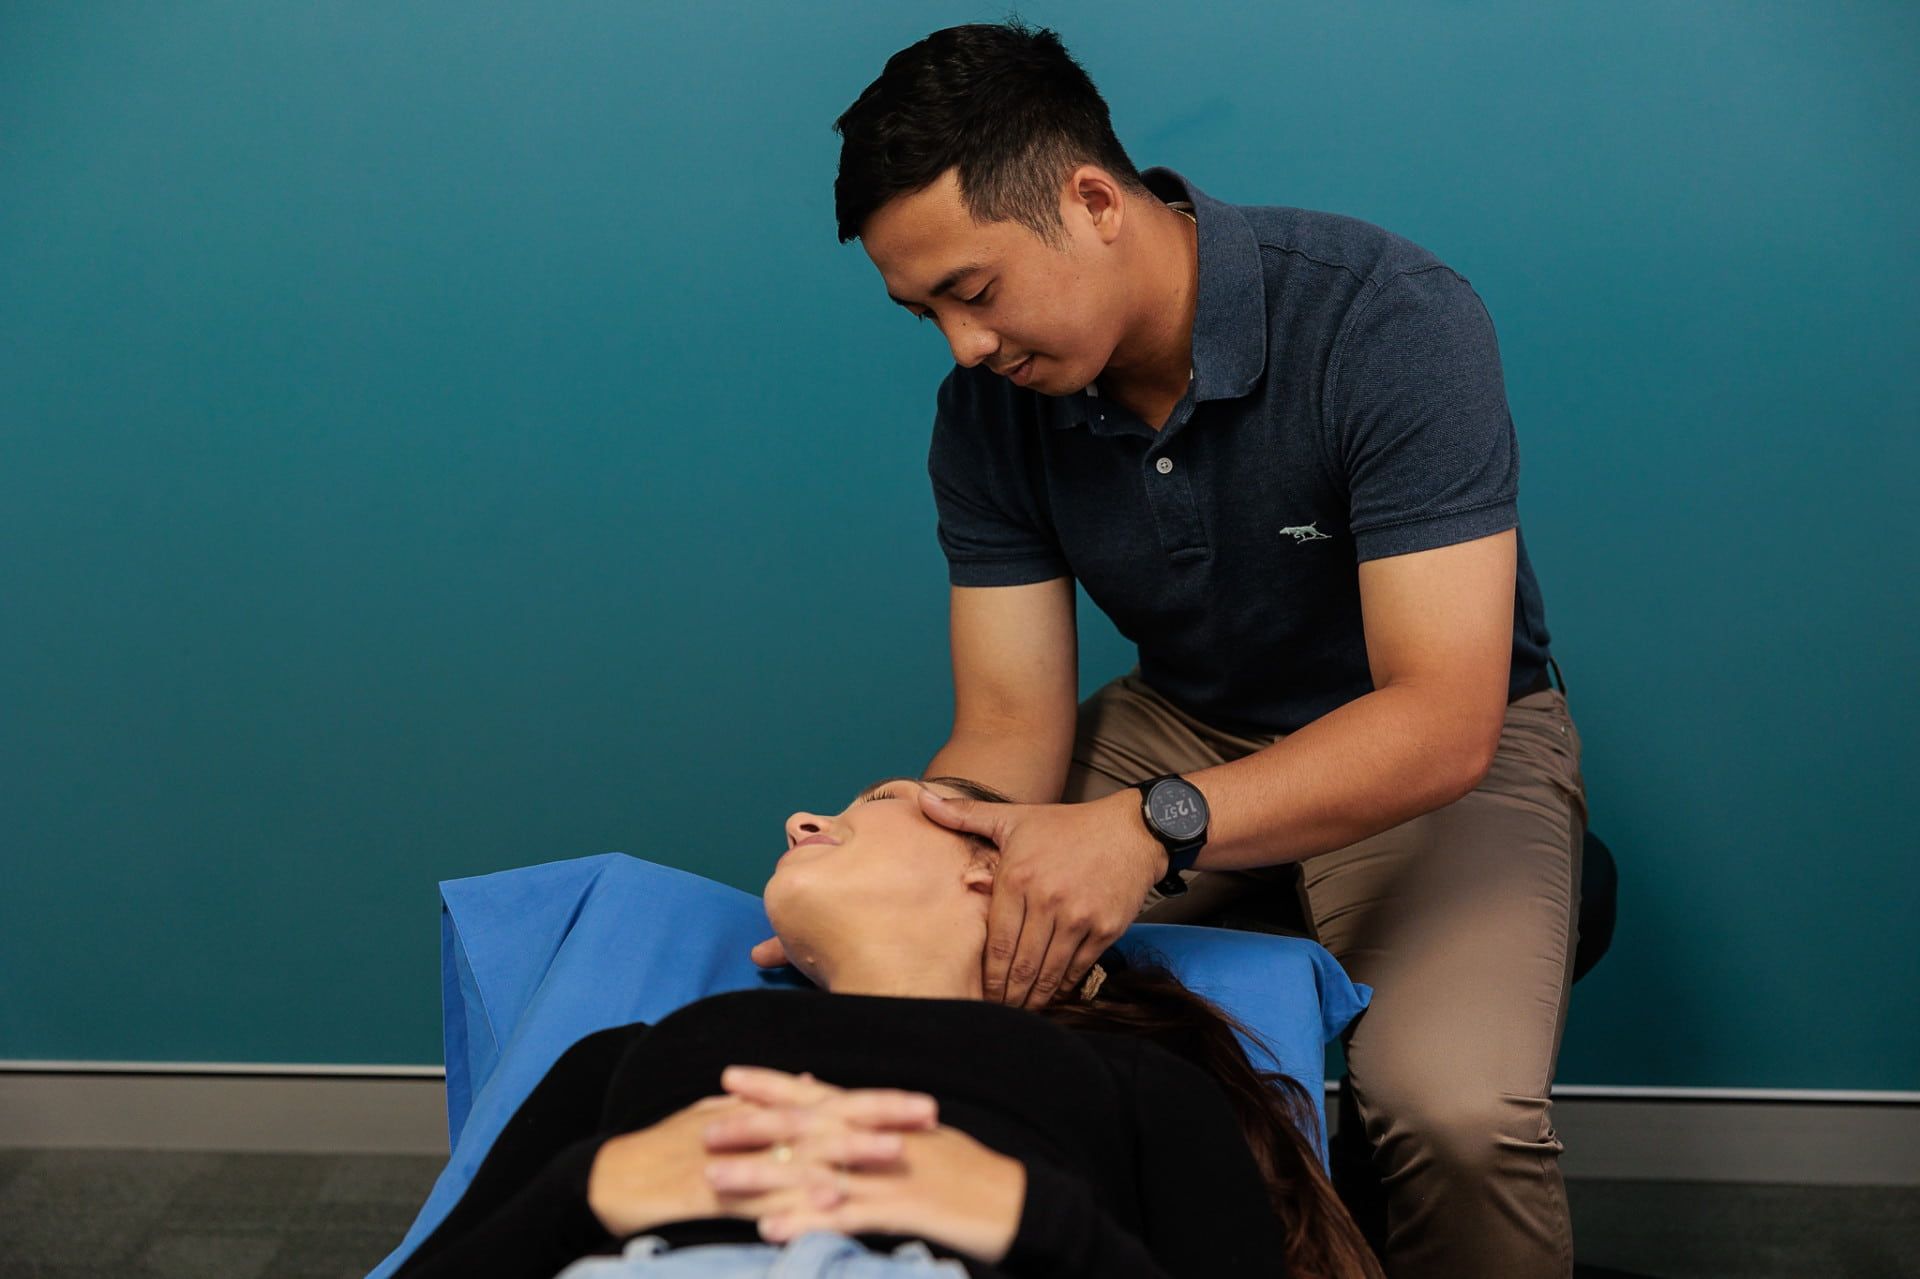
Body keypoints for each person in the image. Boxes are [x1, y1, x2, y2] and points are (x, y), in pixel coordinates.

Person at [767, 20, 1592, 1279]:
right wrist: (911, 856)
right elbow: (1005, 733)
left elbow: (1442, 713)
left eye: (975, 291)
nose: (963, 347)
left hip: (1429, 746)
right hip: (1188, 717)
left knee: (1454, 1114)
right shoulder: (987, 412)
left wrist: (1152, 825)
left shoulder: (1388, 319)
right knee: (960, 961)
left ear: (1093, 199)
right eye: (923, 310)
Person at [393, 776, 1382, 1279]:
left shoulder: (1130, 1085)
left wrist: (1024, 1216)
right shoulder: (640, 1054)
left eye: (871, 801)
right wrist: (595, 1188)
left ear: (996, 870)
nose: (799, 819)